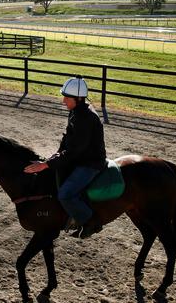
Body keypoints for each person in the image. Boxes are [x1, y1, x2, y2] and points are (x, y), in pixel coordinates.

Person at [24, 75, 107, 238]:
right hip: (79, 158)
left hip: (90, 163)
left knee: (65, 194)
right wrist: (50, 160)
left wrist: (46, 165)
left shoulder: (86, 118)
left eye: (66, 97)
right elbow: (67, 139)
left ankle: (90, 222)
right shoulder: (76, 111)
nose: (63, 101)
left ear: (78, 98)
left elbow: (74, 152)